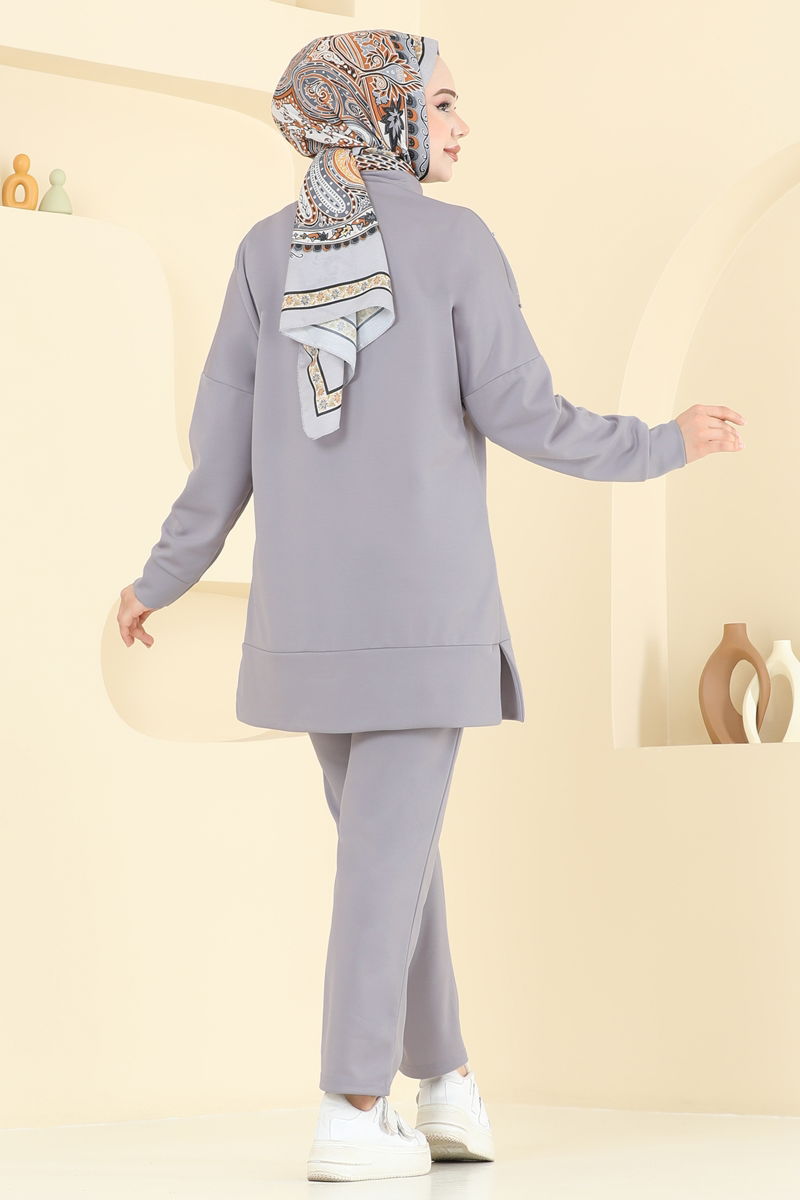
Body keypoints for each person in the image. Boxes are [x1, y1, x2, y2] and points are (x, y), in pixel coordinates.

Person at [117, 29, 746, 1184]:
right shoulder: (454, 244)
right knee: (384, 861)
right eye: (443, 101)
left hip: (307, 629)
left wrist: (160, 577)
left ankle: (444, 1081)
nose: (460, 125)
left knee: (391, 855)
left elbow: (220, 453)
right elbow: (527, 414)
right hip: (422, 620)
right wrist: (662, 444)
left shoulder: (265, 251)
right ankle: (351, 1106)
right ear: (381, 113)